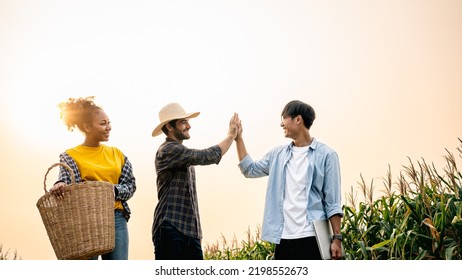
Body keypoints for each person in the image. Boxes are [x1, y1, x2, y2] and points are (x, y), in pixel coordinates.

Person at [234, 100, 343, 260]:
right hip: (283, 238)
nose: (281, 124)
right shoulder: (278, 154)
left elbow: (333, 202)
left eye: (284, 118)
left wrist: (337, 239)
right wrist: (238, 139)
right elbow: (249, 170)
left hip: (311, 237)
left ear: (298, 119)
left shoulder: (327, 155)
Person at [49, 96, 136, 260]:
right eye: (103, 124)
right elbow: (65, 181)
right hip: (84, 220)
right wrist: (59, 184)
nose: (108, 127)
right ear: (87, 127)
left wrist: (111, 190)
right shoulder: (70, 156)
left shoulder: (117, 155)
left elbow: (130, 186)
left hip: (116, 218)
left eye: (108, 122)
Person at [151, 102, 239, 260]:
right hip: (171, 227)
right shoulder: (168, 150)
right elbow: (207, 156)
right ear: (170, 127)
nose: (189, 125)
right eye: (183, 122)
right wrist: (231, 135)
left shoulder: (181, 153)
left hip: (191, 231)